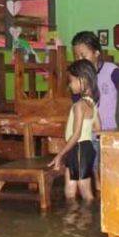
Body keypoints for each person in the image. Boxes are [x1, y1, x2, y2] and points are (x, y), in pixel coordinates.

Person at [71, 31, 119, 188]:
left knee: (110, 169)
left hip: (112, 130)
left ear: (97, 53)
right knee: (95, 167)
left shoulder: (112, 71)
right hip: (91, 133)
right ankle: (98, 189)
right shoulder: (78, 78)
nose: (79, 60)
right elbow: (77, 104)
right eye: (76, 56)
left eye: (83, 55)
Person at [48, 59, 101, 202]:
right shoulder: (92, 105)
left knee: (84, 191)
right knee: (73, 186)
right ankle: (76, 220)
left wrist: (60, 154)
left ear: (82, 80)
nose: (69, 85)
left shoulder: (79, 106)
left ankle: (80, 220)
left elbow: (76, 134)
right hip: (85, 148)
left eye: (71, 81)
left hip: (78, 148)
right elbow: (98, 129)